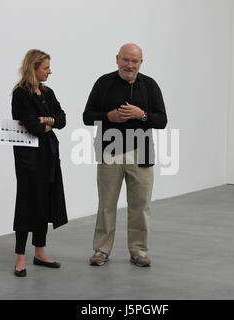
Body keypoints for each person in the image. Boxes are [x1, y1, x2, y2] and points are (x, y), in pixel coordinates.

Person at [83, 43, 167, 267]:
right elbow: (87, 116)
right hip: (110, 151)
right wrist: (108, 116)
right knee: (107, 204)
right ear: (117, 59)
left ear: (141, 62)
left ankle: (138, 251)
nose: (130, 65)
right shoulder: (104, 83)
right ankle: (101, 250)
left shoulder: (149, 85)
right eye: (126, 60)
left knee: (140, 205)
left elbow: (162, 120)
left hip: (141, 152)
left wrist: (142, 115)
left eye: (135, 61)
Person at [11, 49, 68, 277]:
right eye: (46, 68)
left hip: (49, 154)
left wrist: (46, 121)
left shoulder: (47, 92)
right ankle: (20, 258)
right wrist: (45, 122)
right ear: (33, 68)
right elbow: (32, 127)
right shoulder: (20, 94)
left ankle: (40, 253)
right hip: (28, 158)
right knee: (26, 203)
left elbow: (62, 119)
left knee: (45, 201)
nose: (49, 72)